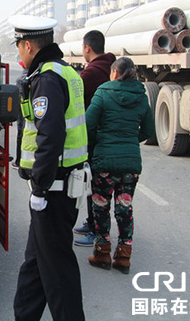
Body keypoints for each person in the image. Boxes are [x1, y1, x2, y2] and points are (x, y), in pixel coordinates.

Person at [11, 15, 87, 321]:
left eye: (18, 47)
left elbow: (50, 135)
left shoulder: (46, 78)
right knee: (35, 265)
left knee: (57, 272)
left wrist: (40, 188)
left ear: (28, 45)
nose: (18, 54)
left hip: (53, 191)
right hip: (56, 188)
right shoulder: (63, 71)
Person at [85, 57, 154, 274]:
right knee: (125, 208)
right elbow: (148, 131)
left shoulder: (103, 92)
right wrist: (131, 140)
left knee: (101, 206)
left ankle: (102, 254)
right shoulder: (141, 97)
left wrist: (96, 144)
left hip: (104, 161)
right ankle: (124, 257)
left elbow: (88, 124)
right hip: (130, 163)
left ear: (114, 73)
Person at [73, 30, 116, 247]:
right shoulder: (111, 68)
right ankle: (92, 223)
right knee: (100, 185)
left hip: (95, 137)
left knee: (94, 184)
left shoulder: (91, 73)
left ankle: (96, 230)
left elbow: (73, 97)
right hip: (109, 136)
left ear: (87, 48)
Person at [10, 60, 27, 170]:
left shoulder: (21, 80)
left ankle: (18, 162)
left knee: (21, 135)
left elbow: (18, 99)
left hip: (23, 113)